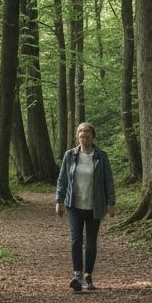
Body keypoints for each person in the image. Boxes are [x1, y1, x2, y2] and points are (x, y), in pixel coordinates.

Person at [55, 121, 116, 291]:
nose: (84, 134)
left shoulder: (101, 156)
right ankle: (77, 275)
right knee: (76, 240)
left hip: (95, 205)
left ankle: (88, 276)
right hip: (74, 204)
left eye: (87, 131)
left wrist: (111, 202)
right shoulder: (70, 155)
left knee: (90, 242)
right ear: (78, 136)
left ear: (92, 135)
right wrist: (59, 200)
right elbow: (62, 179)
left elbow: (108, 180)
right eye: (81, 131)